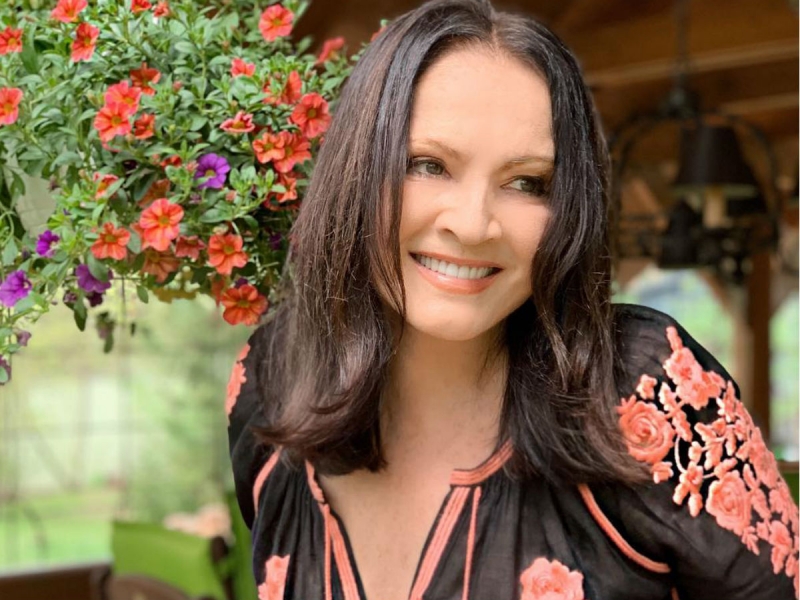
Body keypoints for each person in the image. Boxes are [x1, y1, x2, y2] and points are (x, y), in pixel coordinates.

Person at [226, 1, 799, 598]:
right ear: (356, 170)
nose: (473, 225)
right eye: (428, 165)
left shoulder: (645, 390)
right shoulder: (272, 377)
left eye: (527, 183)